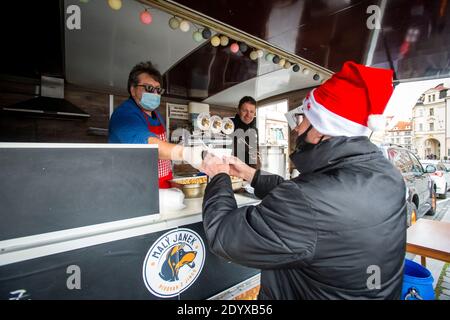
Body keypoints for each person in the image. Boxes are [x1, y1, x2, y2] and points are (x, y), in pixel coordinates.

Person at [200, 61, 406, 299]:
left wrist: (218, 176)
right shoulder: (390, 176)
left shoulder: (308, 202)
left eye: (302, 118)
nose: (296, 128)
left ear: (320, 130)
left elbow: (224, 235)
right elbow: (313, 203)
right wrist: (251, 174)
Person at [109, 61, 203, 188]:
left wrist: (172, 184)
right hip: (135, 188)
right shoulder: (125, 115)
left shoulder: (157, 115)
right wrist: (189, 153)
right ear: (133, 90)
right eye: (148, 88)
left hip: (162, 187)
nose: (154, 93)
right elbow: (150, 146)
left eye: (158, 90)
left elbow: (163, 158)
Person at [232, 96, 260, 169]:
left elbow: (256, 153)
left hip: (249, 173)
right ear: (238, 110)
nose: (248, 115)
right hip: (232, 172)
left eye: (251, 112)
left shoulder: (255, 130)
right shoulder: (228, 127)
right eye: (245, 110)